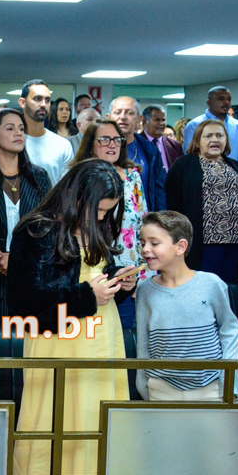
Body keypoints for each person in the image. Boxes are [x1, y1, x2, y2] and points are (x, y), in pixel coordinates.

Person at [7, 160, 137, 475]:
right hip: (59, 343)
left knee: (98, 423)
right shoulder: (36, 230)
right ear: (77, 197)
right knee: (57, 425)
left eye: (107, 212)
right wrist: (85, 296)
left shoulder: (94, 227)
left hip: (103, 342)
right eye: (98, 210)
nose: (102, 218)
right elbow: (23, 304)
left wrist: (120, 283)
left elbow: (93, 278)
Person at [137, 211, 238, 401]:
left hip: (211, 388)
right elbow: (143, 341)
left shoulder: (211, 284)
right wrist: (143, 385)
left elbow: (229, 330)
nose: (145, 249)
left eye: (154, 243)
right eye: (143, 243)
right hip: (161, 388)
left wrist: (230, 384)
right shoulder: (144, 290)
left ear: (181, 247)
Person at [0, 108, 51, 320]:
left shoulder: (39, 177)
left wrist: (17, 258)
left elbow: (47, 226)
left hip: (30, 282)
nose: (18, 133)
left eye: (21, 129)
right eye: (10, 128)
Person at [74, 118, 148, 326]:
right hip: (90, 273)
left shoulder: (133, 176)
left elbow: (142, 226)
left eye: (117, 139)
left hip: (127, 275)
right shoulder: (78, 177)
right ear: (90, 144)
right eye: (105, 139)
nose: (112, 144)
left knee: (123, 334)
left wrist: (144, 275)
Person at [165, 119, 238, 284]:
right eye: (208, 136)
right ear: (197, 141)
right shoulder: (183, 165)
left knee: (226, 290)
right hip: (202, 245)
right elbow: (171, 202)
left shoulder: (235, 166)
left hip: (234, 243)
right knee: (202, 288)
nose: (215, 140)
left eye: (220, 136)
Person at [107, 96, 166, 211]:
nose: (123, 117)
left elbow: (158, 191)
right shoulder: (97, 148)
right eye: (117, 112)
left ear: (139, 119)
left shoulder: (151, 150)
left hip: (143, 218)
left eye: (130, 113)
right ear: (108, 117)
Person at [16, 79, 73, 185]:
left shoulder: (63, 145)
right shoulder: (6, 140)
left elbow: (66, 187)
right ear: (22, 102)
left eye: (47, 100)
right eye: (37, 99)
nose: (43, 104)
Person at [182, 86, 238, 173]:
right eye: (221, 99)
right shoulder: (194, 125)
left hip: (234, 177)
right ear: (209, 102)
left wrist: (237, 177)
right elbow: (191, 157)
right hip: (203, 177)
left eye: (229, 99)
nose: (226, 102)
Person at [140, 104, 183, 172]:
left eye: (163, 120)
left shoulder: (175, 146)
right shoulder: (136, 143)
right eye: (157, 120)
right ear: (145, 122)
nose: (161, 123)